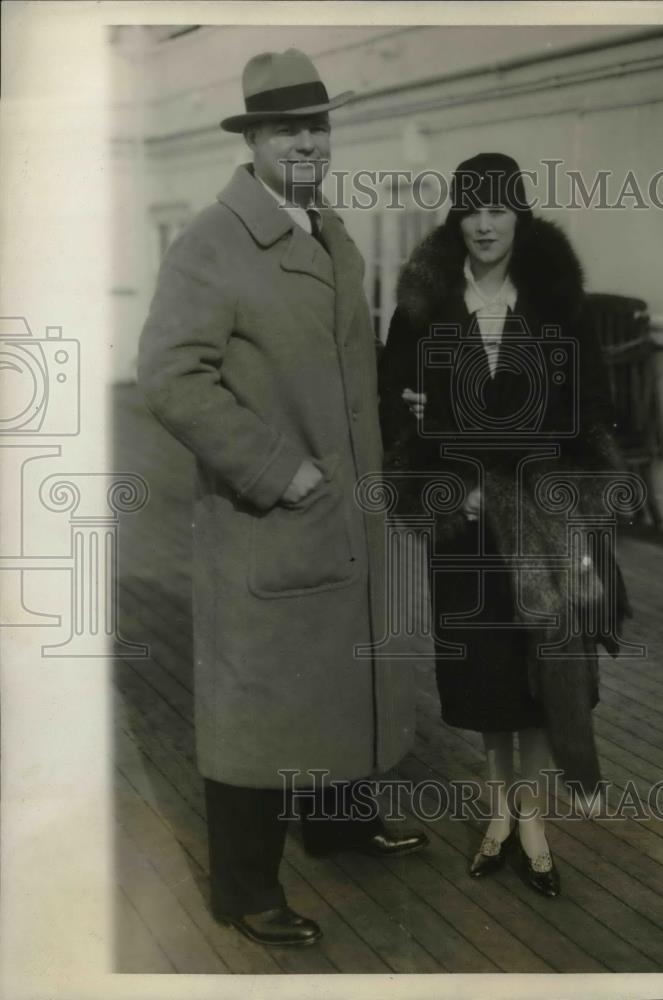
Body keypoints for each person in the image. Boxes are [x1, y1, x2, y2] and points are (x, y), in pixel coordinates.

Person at [138, 49, 427, 948]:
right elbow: (169, 377)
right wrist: (273, 469)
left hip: (346, 513)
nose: (308, 142)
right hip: (270, 516)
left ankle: (340, 825)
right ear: (253, 139)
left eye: (319, 126)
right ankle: (243, 886)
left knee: (341, 670)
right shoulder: (211, 243)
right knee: (257, 701)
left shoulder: (325, 228)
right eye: (287, 128)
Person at [378, 153, 631, 898]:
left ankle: (534, 820)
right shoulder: (424, 306)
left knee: (546, 673)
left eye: (498, 209)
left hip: (546, 522)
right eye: (470, 210)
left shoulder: (558, 305)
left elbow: (588, 410)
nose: (484, 225)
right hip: (465, 522)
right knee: (487, 678)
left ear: (519, 216)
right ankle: (498, 812)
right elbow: (395, 409)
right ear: (455, 220)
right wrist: (439, 486)